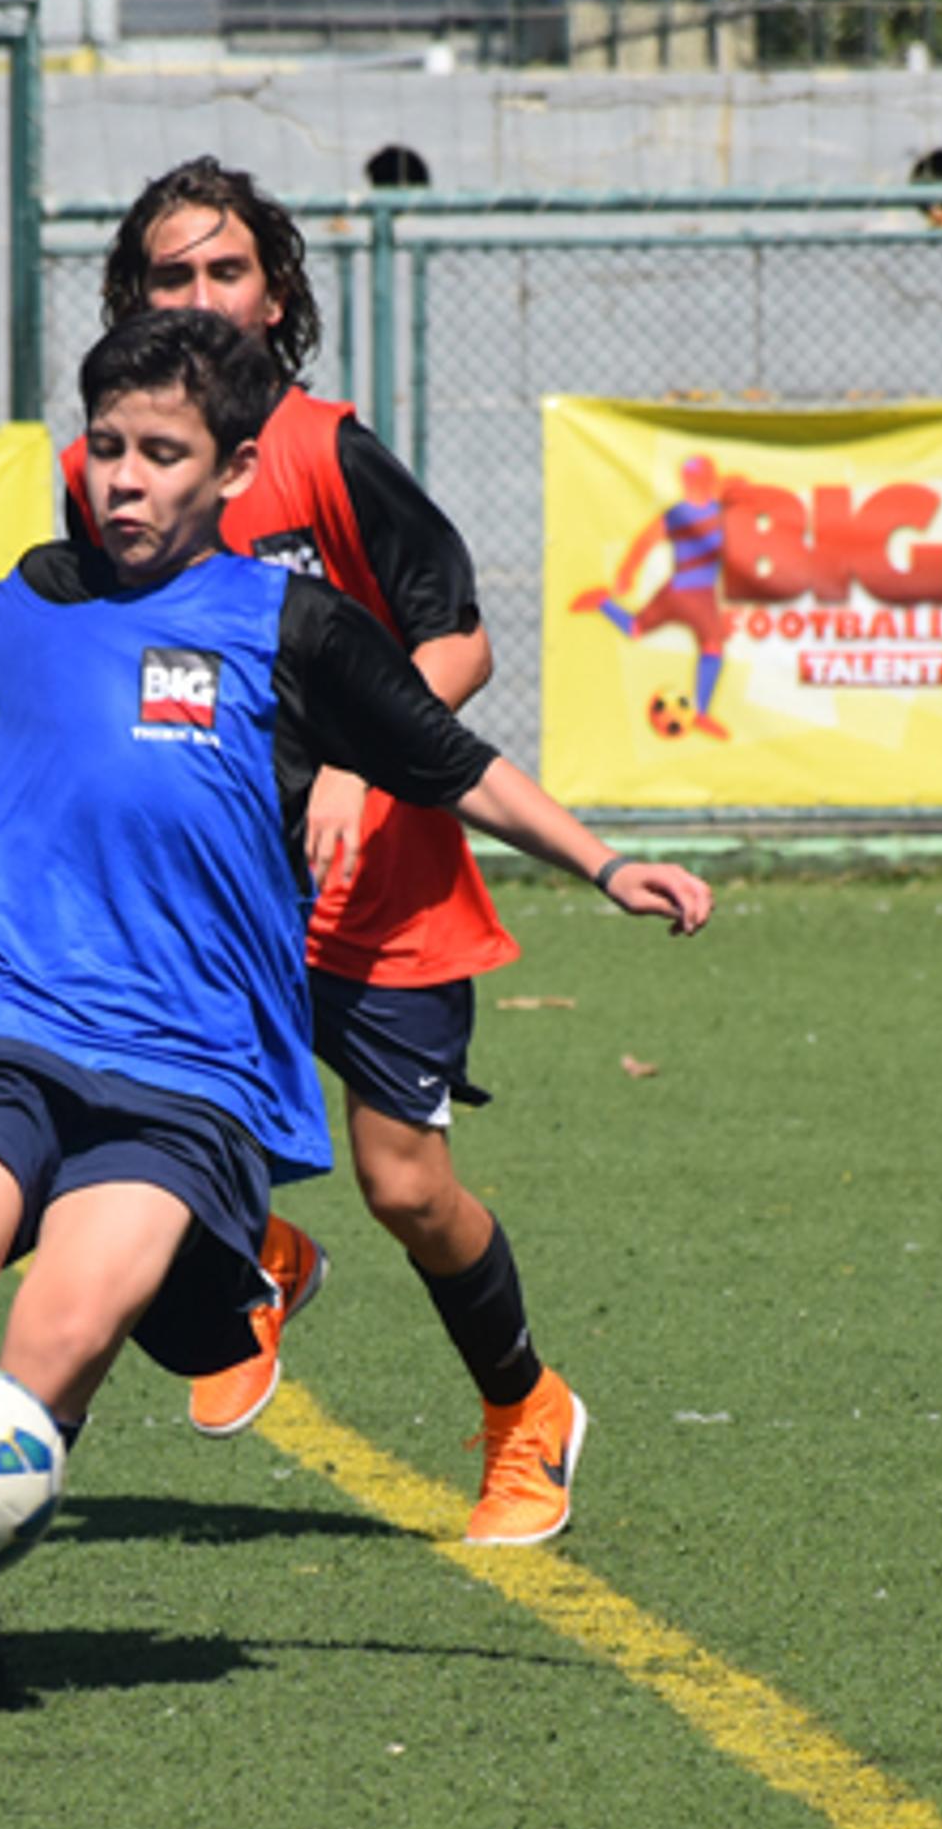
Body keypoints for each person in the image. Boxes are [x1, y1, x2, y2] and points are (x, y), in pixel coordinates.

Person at [0, 307, 713, 1709]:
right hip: (5, 1016)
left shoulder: (293, 628)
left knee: (55, 1342)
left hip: (188, 1073)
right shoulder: (37, 597)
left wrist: (606, 865)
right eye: (109, 447)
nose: (126, 478)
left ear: (235, 473)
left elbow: (451, 762)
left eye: (164, 455)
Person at [66, 157, 607, 1550]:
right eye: (172, 275)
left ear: (278, 292)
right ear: (136, 295)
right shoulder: (104, 470)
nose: (202, 296)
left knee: (406, 1187)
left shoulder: (327, 449)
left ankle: (525, 1411)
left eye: (226, 270)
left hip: (386, 895)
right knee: (115, 1127)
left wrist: (361, 762)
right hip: (211, 898)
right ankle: (251, 1260)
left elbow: (462, 637)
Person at [569, 453, 741, 741]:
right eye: (690, 479)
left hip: (697, 594)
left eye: (697, 479)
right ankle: (602, 602)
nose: (692, 484)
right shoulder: (677, 515)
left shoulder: (720, 513)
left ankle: (700, 713)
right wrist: (626, 574)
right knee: (646, 631)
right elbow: (645, 542)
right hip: (683, 591)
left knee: (711, 646)